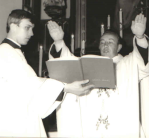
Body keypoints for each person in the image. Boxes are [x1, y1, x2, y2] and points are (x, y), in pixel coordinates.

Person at [47, 13, 149, 138]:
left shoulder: (128, 64)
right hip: (91, 128)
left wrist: (140, 36)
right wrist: (58, 41)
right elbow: (66, 66)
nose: (105, 45)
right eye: (102, 42)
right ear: (98, 46)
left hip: (121, 128)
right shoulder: (86, 65)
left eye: (110, 42)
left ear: (119, 47)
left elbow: (145, 66)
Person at [0, 9, 94, 137]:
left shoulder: (12, 51)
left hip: (21, 117)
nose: (32, 33)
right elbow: (30, 84)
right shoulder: (6, 52)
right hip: (16, 121)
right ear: (12, 26)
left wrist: (58, 41)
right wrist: (66, 87)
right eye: (27, 28)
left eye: (32, 28)